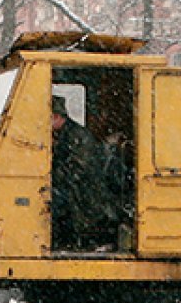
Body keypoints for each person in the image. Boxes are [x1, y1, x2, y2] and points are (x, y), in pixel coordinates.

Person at [50, 95, 125, 251]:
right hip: (78, 189)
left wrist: (50, 177)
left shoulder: (77, 136)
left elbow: (78, 170)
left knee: (54, 203)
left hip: (85, 193)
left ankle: (65, 244)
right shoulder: (64, 134)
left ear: (56, 116)